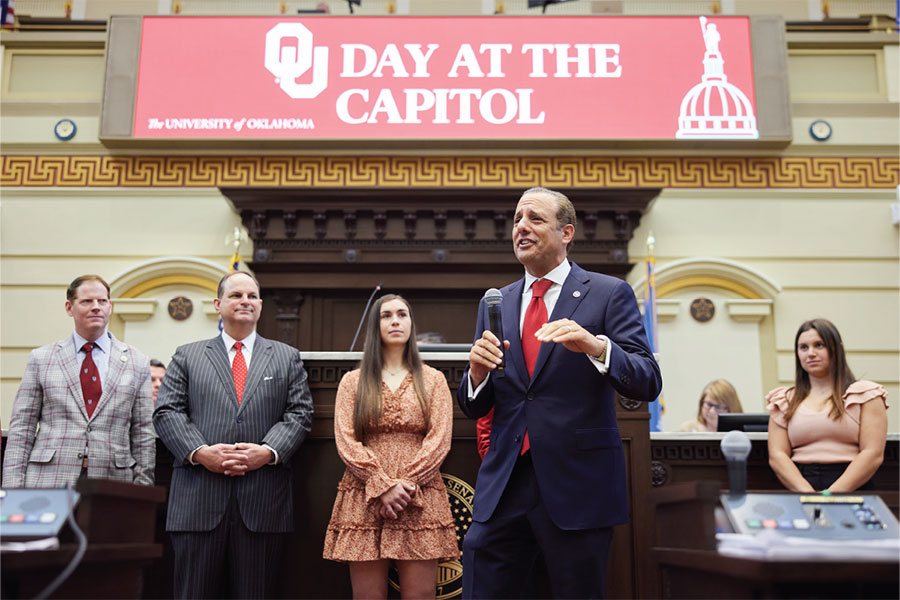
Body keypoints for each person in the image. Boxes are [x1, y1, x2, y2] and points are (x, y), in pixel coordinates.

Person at [457, 187, 662, 599]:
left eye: (534, 218)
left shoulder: (608, 293)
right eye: (516, 219)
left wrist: (597, 346)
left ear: (566, 232)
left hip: (576, 486)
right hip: (505, 484)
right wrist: (475, 374)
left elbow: (646, 379)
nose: (521, 227)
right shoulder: (495, 301)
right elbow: (477, 402)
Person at [153, 271, 313, 599]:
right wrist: (199, 452)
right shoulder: (187, 355)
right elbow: (167, 412)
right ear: (218, 304)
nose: (245, 302)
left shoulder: (286, 357)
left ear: (261, 305)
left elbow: (300, 414)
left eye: (252, 296)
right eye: (236, 295)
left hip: (262, 502)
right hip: (198, 500)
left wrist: (268, 452)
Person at [324, 294, 459, 599]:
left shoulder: (434, 380)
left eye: (402, 314)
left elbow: (440, 439)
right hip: (364, 494)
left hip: (419, 495)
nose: (396, 320)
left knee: (420, 595)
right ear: (376, 325)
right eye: (387, 315)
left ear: (411, 323)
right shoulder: (353, 381)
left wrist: (406, 485)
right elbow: (346, 439)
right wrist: (381, 484)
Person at [2, 274, 155, 487]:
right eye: (86, 301)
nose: (96, 307)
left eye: (102, 301)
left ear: (110, 306)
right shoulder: (42, 358)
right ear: (69, 307)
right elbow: (22, 428)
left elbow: (143, 433)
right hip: (47, 481)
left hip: (113, 483)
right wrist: (12, 489)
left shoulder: (137, 361)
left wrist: (143, 488)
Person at [766, 318, 888, 493]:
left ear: (838, 348)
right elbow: (777, 456)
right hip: (800, 486)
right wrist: (809, 495)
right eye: (803, 347)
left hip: (852, 485)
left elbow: (872, 453)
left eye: (819, 345)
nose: (810, 353)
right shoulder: (784, 399)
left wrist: (830, 495)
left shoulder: (865, 394)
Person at [678, 379, 743, 432]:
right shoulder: (687, 429)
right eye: (709, 404)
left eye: (718, 407)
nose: (712, 411)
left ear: (731, 408)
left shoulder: (740, 433)